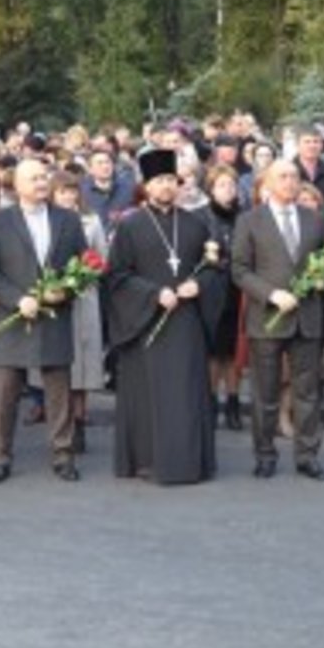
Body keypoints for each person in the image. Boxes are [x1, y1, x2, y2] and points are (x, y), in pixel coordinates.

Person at [107, 150, 221, 485]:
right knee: (149, 393)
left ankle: (188, 463)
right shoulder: (129, 226)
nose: (167, 186)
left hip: (185, 324)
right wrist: (153, 293)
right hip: (146, 324)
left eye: (171, 180)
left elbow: (216, 271)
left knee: (185, 392)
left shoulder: (195, 224)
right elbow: (117, 277)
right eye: (160, 181)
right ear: (147, 185)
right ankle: (148, 461)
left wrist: (198, 285)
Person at [0, 159, 87, 484]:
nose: (42, 182)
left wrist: (64, 291)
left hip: (54, 315)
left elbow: (83, 265)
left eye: (44, 177)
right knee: (6, 392)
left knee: (58, 390)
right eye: (34, 178)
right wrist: (16, 299)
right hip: (13, 317)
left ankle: (63, 455)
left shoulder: (68, 219)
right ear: (17, 185)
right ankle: (0, 457)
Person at [232, 159, 324, 481]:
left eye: (295, 176)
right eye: (283, 177)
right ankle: (264, 454)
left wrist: (323, 278)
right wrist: (271, 295)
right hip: (267, 318)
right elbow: (240, 270)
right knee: (265, 392)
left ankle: (307, 455)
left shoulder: (314, 219)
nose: (291, 182)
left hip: (307, 317)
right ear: (268, 183)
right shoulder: (250, 221)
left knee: (308, 391)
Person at [46, 171, 106, 452]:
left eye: (71, 191)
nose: (68, 196)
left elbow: (101, 259)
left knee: (83, 363)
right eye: (62, 192)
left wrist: (84, 275)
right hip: (53, 296)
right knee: (60, 363)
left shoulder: (91, 220)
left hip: (84, 297)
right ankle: (62, 422)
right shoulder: (45, 220)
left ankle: (80, 420)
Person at [200, 165, 245, 430]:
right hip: (212, 290)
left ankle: (234, 403)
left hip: (238, 289)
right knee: (213, 353)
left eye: (231, 185)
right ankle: (210, 401)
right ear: (211, 189)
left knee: (233, 353)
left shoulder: (245, 216)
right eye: (221, 185)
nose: (227, 190)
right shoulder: (201, 217)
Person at [293, 125, 324, 203]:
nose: (312, 146)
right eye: (307, 142)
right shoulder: (287, 172)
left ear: (322, 145)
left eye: (316, 142)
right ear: (297, 145)